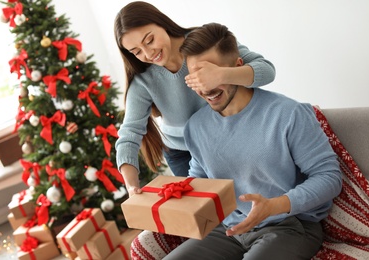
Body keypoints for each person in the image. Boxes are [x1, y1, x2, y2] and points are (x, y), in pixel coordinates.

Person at [132, 23, 342, 260]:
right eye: (196, 77)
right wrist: (171, 197)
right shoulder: (196, 127)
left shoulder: (289, 114)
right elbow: (200, 181)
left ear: (236, 68)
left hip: (289, 226)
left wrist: (275, 205)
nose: (205, 86)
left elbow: (329, 177)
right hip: (228, 228)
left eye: (209, 74)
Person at [113, 1, 276, 195]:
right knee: (206, 214)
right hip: (183, 153)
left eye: (149, 40)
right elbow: (129, 134)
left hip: (227, 139)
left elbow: (267, 70)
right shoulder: (143, 81)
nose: (148, 53)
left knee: (245, 200)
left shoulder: (203, 41)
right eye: (136, 51)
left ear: (161, 23)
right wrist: (131, 186)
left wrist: (221, 74)